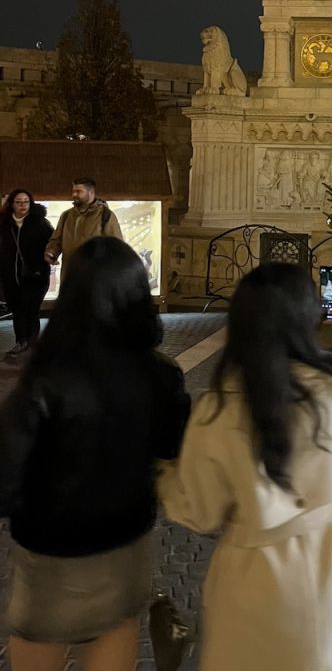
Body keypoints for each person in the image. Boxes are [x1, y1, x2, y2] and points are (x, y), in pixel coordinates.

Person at [158, 262, 332, 671]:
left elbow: (196, 511)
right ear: (306, 318)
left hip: (252, 579)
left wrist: (161, 475)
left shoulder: (216, 409)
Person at [0, 237, 190, 671]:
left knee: (37, 639)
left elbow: (6, 473)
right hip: (126, 538)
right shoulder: (161, 373)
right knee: (116, 629)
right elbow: (170, 446)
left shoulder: (45, 379)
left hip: (52, 549)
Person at [0, 189, 53, 360]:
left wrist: (49, 257)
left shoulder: (40, 223)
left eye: (26, 201)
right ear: (12, 204)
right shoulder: (4, 224)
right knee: (17, 310)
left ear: (31, 203)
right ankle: (20, 342)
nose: (23, 205)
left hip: (35, 275)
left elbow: (53, 242)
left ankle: (33, 345)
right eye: (18, 202)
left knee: (31, 309)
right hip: (11, 276)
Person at [44, 177, 122, 273]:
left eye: (79, 191)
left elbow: (116, 246)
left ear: (91, 193)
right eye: (73, 191)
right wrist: (51, 252)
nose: (74, 195)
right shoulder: (66, 215)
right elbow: (57, 240)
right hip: (70, 275)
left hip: (95, 276)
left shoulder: (105, 215)